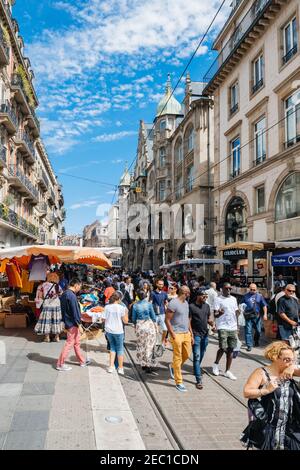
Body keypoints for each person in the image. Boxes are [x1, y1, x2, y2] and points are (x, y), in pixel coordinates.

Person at [241, 341, 300, 450]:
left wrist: (293, 367)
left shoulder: (290, 370)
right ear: (275, 357)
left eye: (292, 360)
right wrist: (266, 390)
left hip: (289, 429)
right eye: (287, 360)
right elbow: (247, 392)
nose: (290, 363)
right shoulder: (261, 372)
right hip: (268, 428)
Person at [56, 278, 91, 371]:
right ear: (76, 285)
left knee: (76, 342)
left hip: (68, 321)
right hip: (72, 323)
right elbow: (75, 311)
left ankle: (82, 361)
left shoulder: (65, 294)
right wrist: (79, 325)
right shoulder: (71, 295)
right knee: (70, 343)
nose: (80, 288)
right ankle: (60, 364)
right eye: (79, 286)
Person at [165, 286, 193, 392]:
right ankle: (179, 381)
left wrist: (191, 332)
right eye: (189, 292)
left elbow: (187, 319)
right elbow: (167, 320)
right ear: (185, 292)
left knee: (187, 354)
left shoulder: (186, 303)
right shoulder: (173, 303)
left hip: (186, 333)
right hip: (176, 334)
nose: (190, 294)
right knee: (177, 357)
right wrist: (172, 334)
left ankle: (173, 367)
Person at [212, 282, 239, 381]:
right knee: (223, 347)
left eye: (230, 288)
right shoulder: (218, 299)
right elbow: (215, 314)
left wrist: (237, 326)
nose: (228, 290)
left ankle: (227, 371)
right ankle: (216, 364)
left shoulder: (234, 299)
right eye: (226, 288)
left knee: (231, 349)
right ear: (221, 289)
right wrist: (220, 313)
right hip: (222, 326)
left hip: (233, 327)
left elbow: (236, 313)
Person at [189, 289, 214, 389]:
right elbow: (188, 321)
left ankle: (196, 368)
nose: (205, 298)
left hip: (205, 334)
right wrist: (191, 334)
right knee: (197, 355)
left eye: (206, 296)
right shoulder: (191, 306)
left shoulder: (206, 306)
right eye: (203, 296)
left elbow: (208, 318)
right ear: (198, 296)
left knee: (202, 352)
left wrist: (211, 323)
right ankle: (198, 379)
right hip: (196, 334)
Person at [101, 292, 128, 375]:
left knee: (112, 348)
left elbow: (103, 319)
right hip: (118, 331)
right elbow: (126, 321)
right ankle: (120, 368)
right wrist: (126, 313)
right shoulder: (122, 308)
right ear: (119, 299)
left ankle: (111, 366)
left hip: (109, 331)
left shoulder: (107, 307)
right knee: (120, 349)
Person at [132, 290, 158, 375]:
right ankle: (148, 364)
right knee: (149, 345)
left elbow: (133, 318)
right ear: (146, 295)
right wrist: (156, 325)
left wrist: (136, 326)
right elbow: (153, 316)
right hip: (148, 325)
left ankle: (142, 363)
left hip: (140, 325)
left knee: (141, 344)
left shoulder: (135, 305)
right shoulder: (149, 304)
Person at [34, 272, 63, 343]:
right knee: (56, 320)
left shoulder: (43, 285)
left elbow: (40, 296)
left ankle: (47, 337)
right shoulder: (58, 286)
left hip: (47, 304)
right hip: (56, 304)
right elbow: (61, 293)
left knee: (47, 320)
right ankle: (57, 337)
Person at [243, 283, 268, 351]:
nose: (252, 290)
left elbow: (264, 305)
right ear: (249, 289)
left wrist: (265, 314)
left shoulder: (259, 296)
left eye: (254, 289)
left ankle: (256, 340)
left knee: (258, 330)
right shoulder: (245, 296)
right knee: (248, 331)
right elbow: (241, 305)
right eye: (251, 289)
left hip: (257, 316)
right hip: (248, 316)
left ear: (256, 289)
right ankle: (249, 345)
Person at [151, 279, 168, 347]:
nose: (161, 286)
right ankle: (156, 341)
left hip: (162, 313)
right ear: (157, 284)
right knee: (155, 330)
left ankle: (162, 341)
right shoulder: (153, 293)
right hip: (155, 314)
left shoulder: (164, 293)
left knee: (165, 329)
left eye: (162, 284)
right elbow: (150, 302)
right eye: (160, 284)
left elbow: (166, 302)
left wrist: (167, 307)